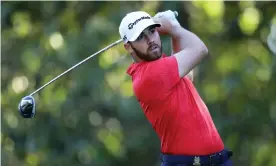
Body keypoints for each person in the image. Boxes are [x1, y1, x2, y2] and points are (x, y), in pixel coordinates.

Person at [119, 10, 233, 166]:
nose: (150, 39)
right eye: (140, 37)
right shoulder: (149, 75)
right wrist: (173, 28)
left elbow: (187, 77)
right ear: (129, 47)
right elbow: (200, 49)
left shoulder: (161, 67)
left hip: (218, 160)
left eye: (152, 31)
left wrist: (174, 28)